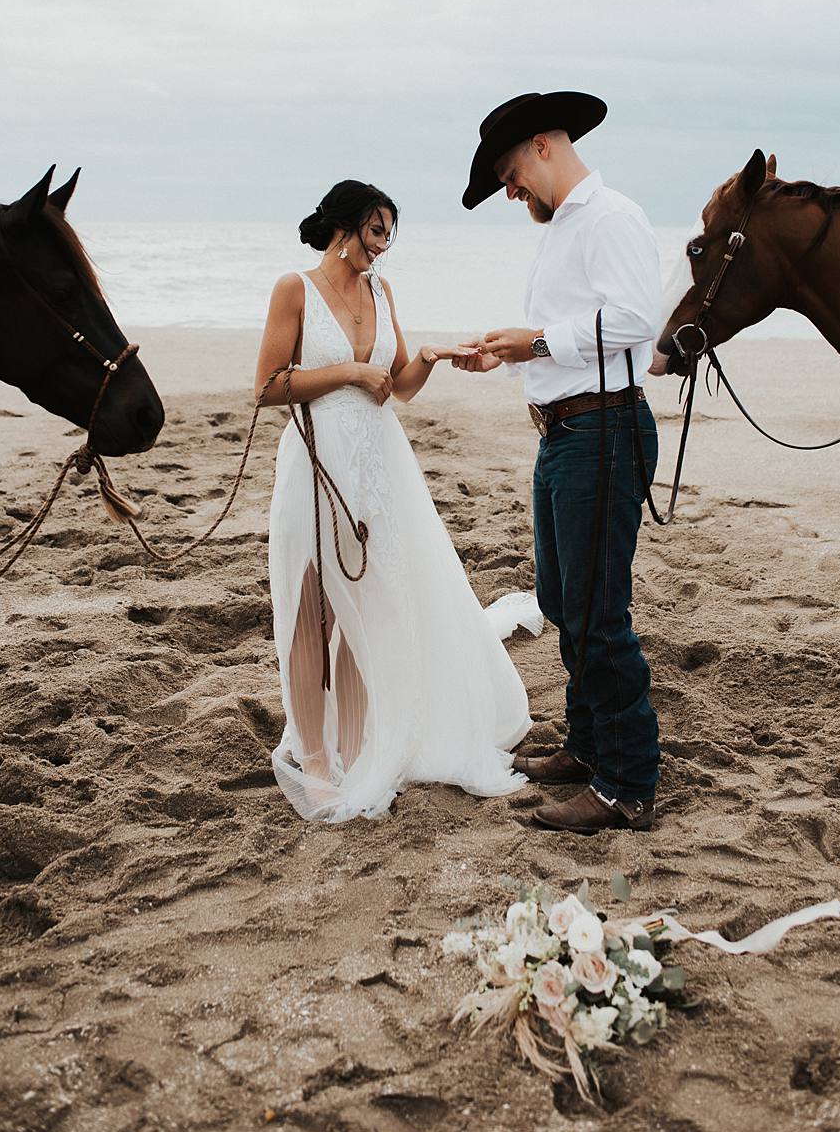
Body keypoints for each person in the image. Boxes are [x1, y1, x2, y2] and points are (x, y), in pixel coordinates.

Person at [254, 179, 536, 822]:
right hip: (317, 463)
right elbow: (268, 385)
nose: (383, 247)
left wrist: (431, 356)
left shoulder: (382, 291)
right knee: (313, 609)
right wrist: (351, 372)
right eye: (376, 232)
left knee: (367, 606)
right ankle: (314, 757)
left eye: (389, 235)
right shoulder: (294, 289)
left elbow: (398, 387)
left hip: (379, 466)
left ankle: (355, 750)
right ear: (345, 227)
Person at [456, 93, 662, 834]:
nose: (509, 192)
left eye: (509, 175)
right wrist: (507, 358)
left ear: (542, 146)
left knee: (596, 614)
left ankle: (626, 784)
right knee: (559, 603)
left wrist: (534, 341)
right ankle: (586, 745)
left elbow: (639, 319)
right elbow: (571, 333)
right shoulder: (564, 228)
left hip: (603, 432)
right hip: (565, 432)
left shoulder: (610, 218)